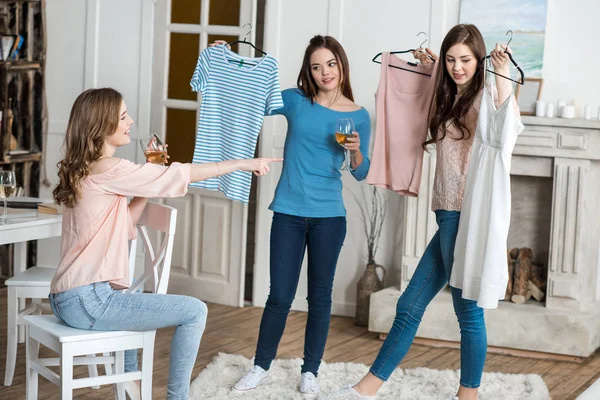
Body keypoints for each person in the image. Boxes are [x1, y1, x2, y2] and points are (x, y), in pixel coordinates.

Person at [323, 24, 517, 400]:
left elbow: (506, 124)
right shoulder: (448, 94)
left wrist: (504, 72)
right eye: (450, 59)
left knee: (468, 312)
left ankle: (467, 396)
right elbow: (421, 103)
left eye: (465, 60)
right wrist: (431, 70)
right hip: (446, 214)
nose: (457, 67)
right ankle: (366, 389)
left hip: (466, 218)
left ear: (479, 60)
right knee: (410, 305)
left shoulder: (485, 98)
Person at [49, 88, 281, 400]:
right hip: (88, 300)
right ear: (102, 126)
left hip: (68, 296)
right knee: (195, 311)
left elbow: (126, 225)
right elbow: (181, 173)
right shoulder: (110, 169)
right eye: (122, 116)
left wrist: (147, 179)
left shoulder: (86, 168)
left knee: (135, 310)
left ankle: (131, 389)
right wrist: (241, 164)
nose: (130, 121)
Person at [208, 34, 371, 397]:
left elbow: (361, 172)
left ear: (341, 64)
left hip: (329, 217)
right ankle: (260, 366)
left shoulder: (359, 116)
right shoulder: (297, 101)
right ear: (308, 73)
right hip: (288, 212)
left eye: (330, 64)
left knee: (320, 297)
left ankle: (310, 371)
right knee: (279, 295)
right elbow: (252, 98)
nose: (325, 72)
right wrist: (224, 59)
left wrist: (356, 152)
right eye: (316, 67)